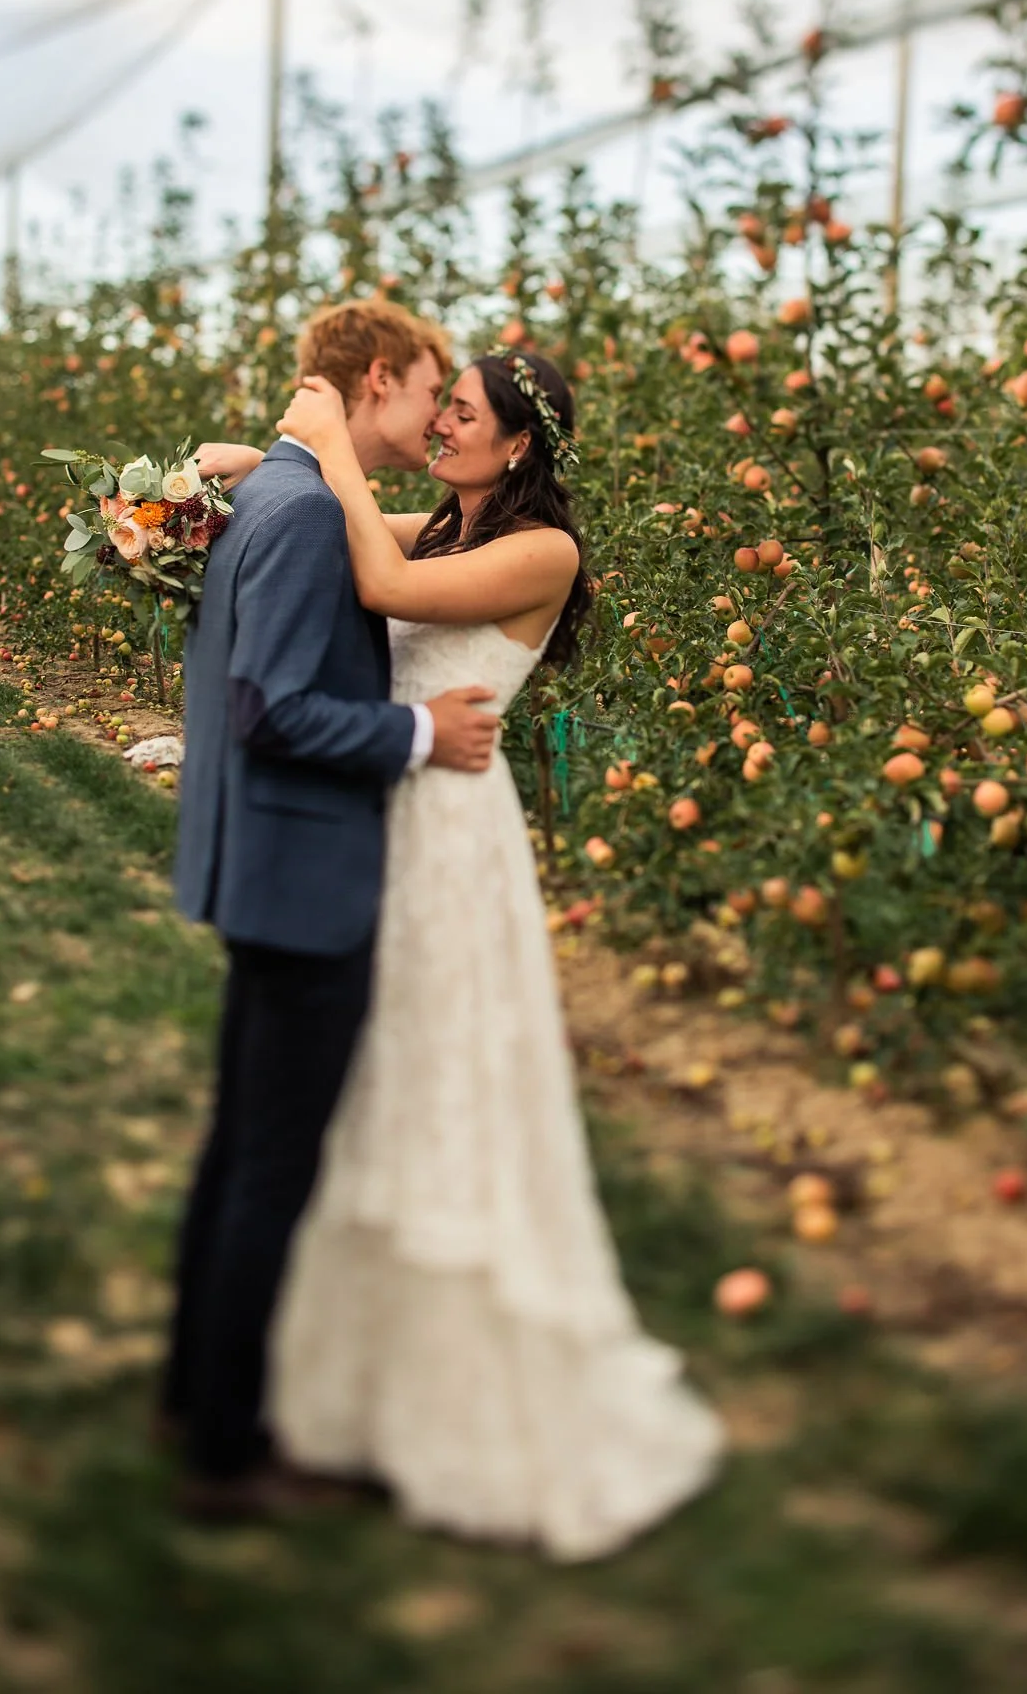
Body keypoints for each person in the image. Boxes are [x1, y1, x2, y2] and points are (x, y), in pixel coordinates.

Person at [256, 347, 725, 1562]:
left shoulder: (540, 552)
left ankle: (472, 1408)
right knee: (371, 1087)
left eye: (460, 412)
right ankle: (354, 1391)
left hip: (451, 844)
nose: (438, 424)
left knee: (442, 1083)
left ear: (519, 443)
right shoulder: (451, 526)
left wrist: (321, 445)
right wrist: (238, 472)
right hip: (392, 810)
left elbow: (370, 570)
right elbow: (355, 521)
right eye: (440, 406)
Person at [165, 299, 502, 1520]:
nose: (433, 411)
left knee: (234, 1146)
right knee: (271, 1169)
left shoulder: (277, 495)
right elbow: (274, 708)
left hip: (254, 863)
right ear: (372, 383)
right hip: (306, 882)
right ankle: (225, 1454)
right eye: (425, 389)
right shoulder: (308, 515)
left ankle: (187, 1392)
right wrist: (421, 730)